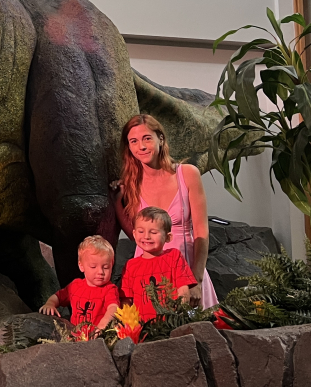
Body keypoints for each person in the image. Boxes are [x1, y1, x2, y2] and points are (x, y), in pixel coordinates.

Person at [115, 114, 217, 308]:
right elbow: (137, 237)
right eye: (134, 141)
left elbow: (202, 233)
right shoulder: (131, 184)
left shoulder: (187, 174)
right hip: (147, 275)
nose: (141, 146)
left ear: (160, 139)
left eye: (147, 138)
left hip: (187, 271)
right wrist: (116, 203)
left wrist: (196, 280)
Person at [121, 206, 196, 322]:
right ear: (134, 234)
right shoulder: (131, 265)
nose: (146, 236)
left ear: (168, 237)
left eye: (153, 232)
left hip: (170, 322)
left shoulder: (174, 256)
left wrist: (178, 315)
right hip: (142, 326)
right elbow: (127, 300)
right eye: (141, 231)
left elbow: (183, 290)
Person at [39, 235, 119, 333]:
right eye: (93, 267)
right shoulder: (75, 286)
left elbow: (113, 308)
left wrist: (103, 325)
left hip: (98, 337)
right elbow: (58, 296)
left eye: (106, 267)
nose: (100, 272)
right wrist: (50, 304)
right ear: (81, 266)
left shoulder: (110, 289)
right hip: (75, 336)